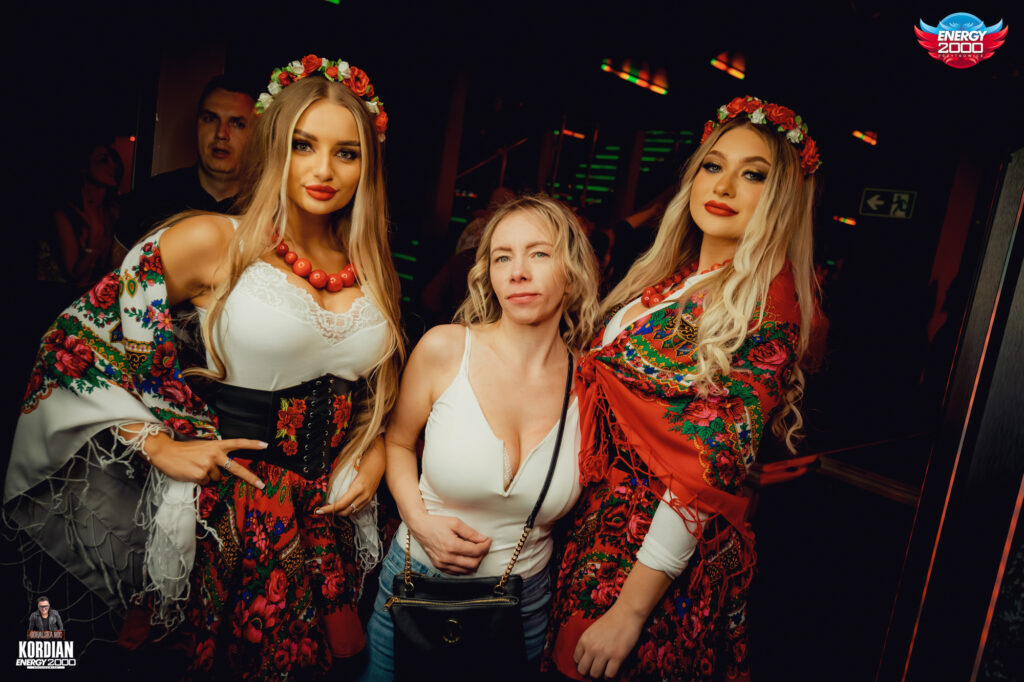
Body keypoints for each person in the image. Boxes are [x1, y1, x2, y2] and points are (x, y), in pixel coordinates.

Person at [6, 55, 400, 679]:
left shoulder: (372, 267)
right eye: (304, 144)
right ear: (275, 144)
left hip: (330, 519)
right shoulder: (213, 240)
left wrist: (373, 449)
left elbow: (377, 390)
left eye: (346, 153)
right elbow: (73, 342)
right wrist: (158, 441)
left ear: (367, 163)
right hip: (229, 513)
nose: (324, 170)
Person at [544, 96, 822, 681]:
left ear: (782, 198)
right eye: (713, 166)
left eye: (753, 175)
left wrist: (630, 611)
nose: (724, 186)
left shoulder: (768, 307)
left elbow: (708, 466)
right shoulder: (672, 278)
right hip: (590, 527)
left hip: (644, 559)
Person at [362, 195, 601, 680]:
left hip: (523, 605)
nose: (518, 272)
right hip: (413, 587)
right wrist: (419, 522)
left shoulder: (591, 383)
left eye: (539, 253)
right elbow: (398, 443)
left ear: (573, 271)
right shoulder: (446, 348)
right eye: (502, 257)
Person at [113, 74, 255, 254]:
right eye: (210, 119)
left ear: (256, 133)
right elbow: (118, 268)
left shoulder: (266, 209)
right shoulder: (149, 197)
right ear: (197, 124)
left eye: (237, 124)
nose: (221, 133)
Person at [43, 142, 124, 290]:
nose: (114, 165)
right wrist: (93, 241)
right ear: (84, 167)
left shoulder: (112, 211)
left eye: (113, 160)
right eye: (103, 160)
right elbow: (76, 280)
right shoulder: (64, 215)